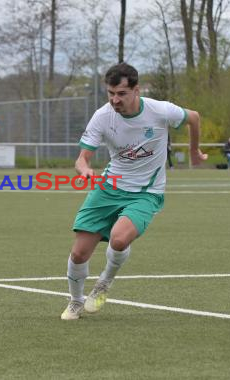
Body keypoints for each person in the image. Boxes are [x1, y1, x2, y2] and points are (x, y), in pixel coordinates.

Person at [61, 62, 208, 320]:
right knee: (78, 252)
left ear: (136, 90)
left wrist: (195, 150)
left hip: (146, 192)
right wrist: (83, 168)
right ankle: (75, 301)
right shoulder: (103, 116)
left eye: (121, 93)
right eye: (110, 93)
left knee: (119, 239)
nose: (115, 100)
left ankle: (104, 282)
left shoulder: (159, 110)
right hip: (108, 188)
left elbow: (193, 117)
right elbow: (81, 158)